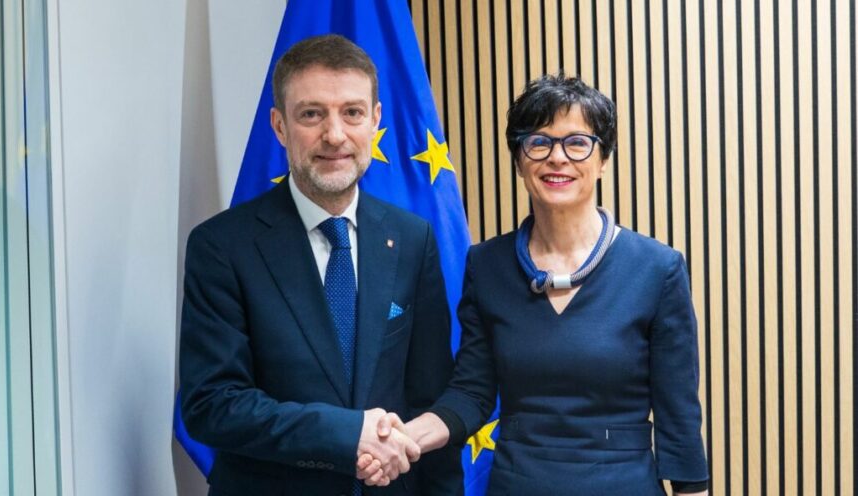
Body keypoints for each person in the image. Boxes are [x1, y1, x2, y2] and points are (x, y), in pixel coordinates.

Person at [377, 73, 709, 495]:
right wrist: (403, 438)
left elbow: (679, 418)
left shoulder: (657, 269)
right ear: (519, 161)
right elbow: (471, 393)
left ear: (603, 159)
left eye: (577, 142)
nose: (557, 158)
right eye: (538, 142)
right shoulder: (486, 266)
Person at [179, 34, 462, 495]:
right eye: (312, 114)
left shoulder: (412, 239)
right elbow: (212, 404)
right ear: (279, 126)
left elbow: (429, 399)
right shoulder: (222, 246)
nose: (334, 135)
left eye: (352, 112)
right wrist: (347, 434)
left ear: (375, 120)